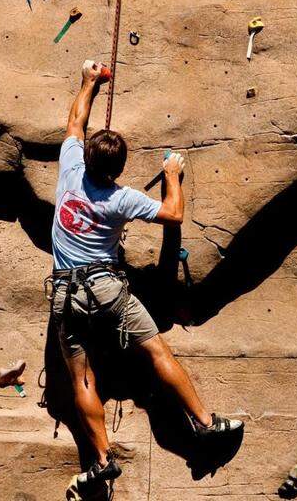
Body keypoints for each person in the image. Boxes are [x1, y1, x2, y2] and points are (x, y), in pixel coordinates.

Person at [49, 61, 242, 492]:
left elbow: (76, 119)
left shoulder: (69, 168)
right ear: (117, 169)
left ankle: (101, 461)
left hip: (66, 291)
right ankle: (206, 424)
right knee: (156, 350)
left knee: (82, 377)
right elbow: (173, 214)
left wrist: (89, 81)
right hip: (106, 289)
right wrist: (172, 176)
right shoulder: (121, 199)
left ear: (86, 156)